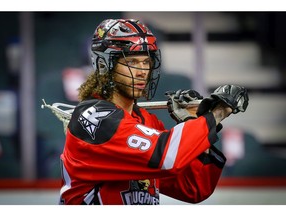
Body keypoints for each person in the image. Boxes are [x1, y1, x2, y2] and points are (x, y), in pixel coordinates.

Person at [59, 18, 249, 205]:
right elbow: (167, 157)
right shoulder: (94, 117)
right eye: (132, 62)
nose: (143, 71)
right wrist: (214, 116)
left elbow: (195, 188)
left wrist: (195, 120)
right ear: (104, 66)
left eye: (146, 62)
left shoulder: (147, 121)